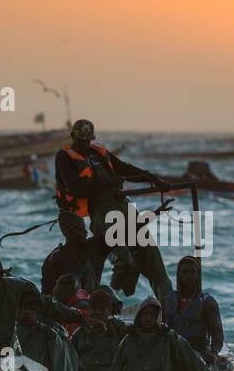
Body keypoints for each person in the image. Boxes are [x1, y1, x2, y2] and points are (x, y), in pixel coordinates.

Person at [53, 118, 173, 299]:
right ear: (72, 137)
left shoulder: (98, 153)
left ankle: (170, 310)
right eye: (80, 141)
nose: (85, 144)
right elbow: (74, 188)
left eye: (87, 140)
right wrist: (107, 182)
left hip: (124, 207)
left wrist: (152, 178)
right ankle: (111, 300)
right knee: (125, 262)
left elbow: (124, 168)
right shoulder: (64, 157)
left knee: (155, 264)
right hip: (101, 215)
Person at [108, 297, 220, 371]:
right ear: (139, 316)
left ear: (158, 316)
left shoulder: (171, 338)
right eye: (145, 314)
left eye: (152, 314)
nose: (148, 318)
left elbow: (193, 363)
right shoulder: (128, 340)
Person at [162, 255, 224, 363]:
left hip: (199, 355)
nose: (188, 276)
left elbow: (217, 335)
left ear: (198, 275)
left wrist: (213, 353)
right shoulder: (168, 300)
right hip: (172, 353)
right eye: (185, 271)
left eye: (192, 272)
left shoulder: (208, 302)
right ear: (179, 274)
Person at [14, 284, 79, 371]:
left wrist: (37, 324)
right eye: (22, 308)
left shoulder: (51, 334)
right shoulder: (11, 329)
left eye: (31, 309)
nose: (26, 312)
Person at [72, 288, 128, 371]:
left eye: (102, 309)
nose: (97, 312)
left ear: (109, 310)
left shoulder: (119, 332)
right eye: (94, 308)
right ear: (89, 309)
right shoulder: (79, 335)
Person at [41, 211, 102, 295]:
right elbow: (47, 292)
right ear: (68, 233)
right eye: (81, 229)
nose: (86, 232)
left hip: (94, 304)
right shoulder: (54, 259)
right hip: (67, 305)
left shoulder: (92, 248)